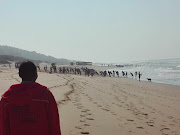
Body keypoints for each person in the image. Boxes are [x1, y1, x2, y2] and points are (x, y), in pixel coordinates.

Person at [0, 61, 61, 135]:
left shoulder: (7, 97)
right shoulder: (45, 94)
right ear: (36, 75)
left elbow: (3, 126)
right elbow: (54, 122)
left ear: (20, 75)